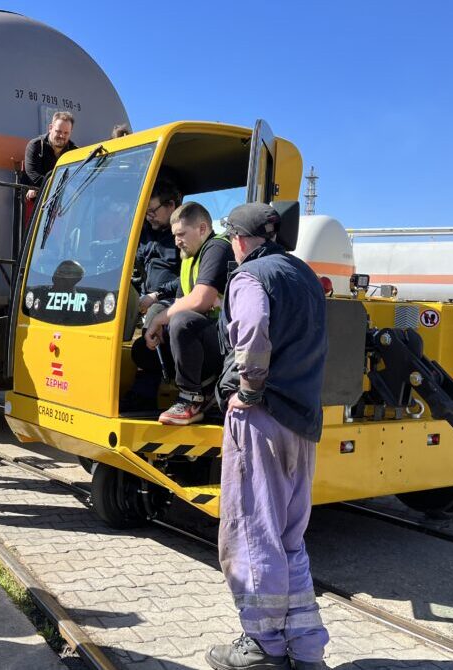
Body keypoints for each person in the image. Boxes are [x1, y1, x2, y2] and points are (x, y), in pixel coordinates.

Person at [205, 203, 330, 670]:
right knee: (288, 538)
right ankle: (306, 647)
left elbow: (254, 329)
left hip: (262, 418)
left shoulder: (249, 276)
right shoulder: (304, 275)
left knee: (252, 533)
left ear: (238, 240)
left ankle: (262, 645)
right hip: (302, 420)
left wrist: (249, 389)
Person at [145, 202, 235, 425]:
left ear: (202, 229)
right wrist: (159, 324)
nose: (176, 241)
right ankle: (201, 386)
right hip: (206, 338)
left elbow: (199, 300)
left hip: (227, 343)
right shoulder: (188, 257)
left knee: (181, 321)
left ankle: (192, 399)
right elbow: (180, 302)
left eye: (181, 234)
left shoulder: (217, 247)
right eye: (174, 235)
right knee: (143, 350)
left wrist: (160, 319)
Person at [120, 178, 183, 412]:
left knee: (155, 314)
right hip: (144, 295)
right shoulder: (145, 232)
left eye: (153, 211)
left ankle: (144, 394)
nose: (149, 217)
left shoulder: (184, 236)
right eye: (145, 212)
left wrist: (156, 295)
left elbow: (191, 279)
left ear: (171, 205)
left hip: (173, 300)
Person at [23, 111, 77, 200]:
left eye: (66, 133)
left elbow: (77, 179)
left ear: (70, 132)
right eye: (58, 131)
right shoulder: (35, 146)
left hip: (66, 202)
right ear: (50, 128)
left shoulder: (74, 152)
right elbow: (33, 175)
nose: (62, 136)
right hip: (40, 200)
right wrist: (62, 187)